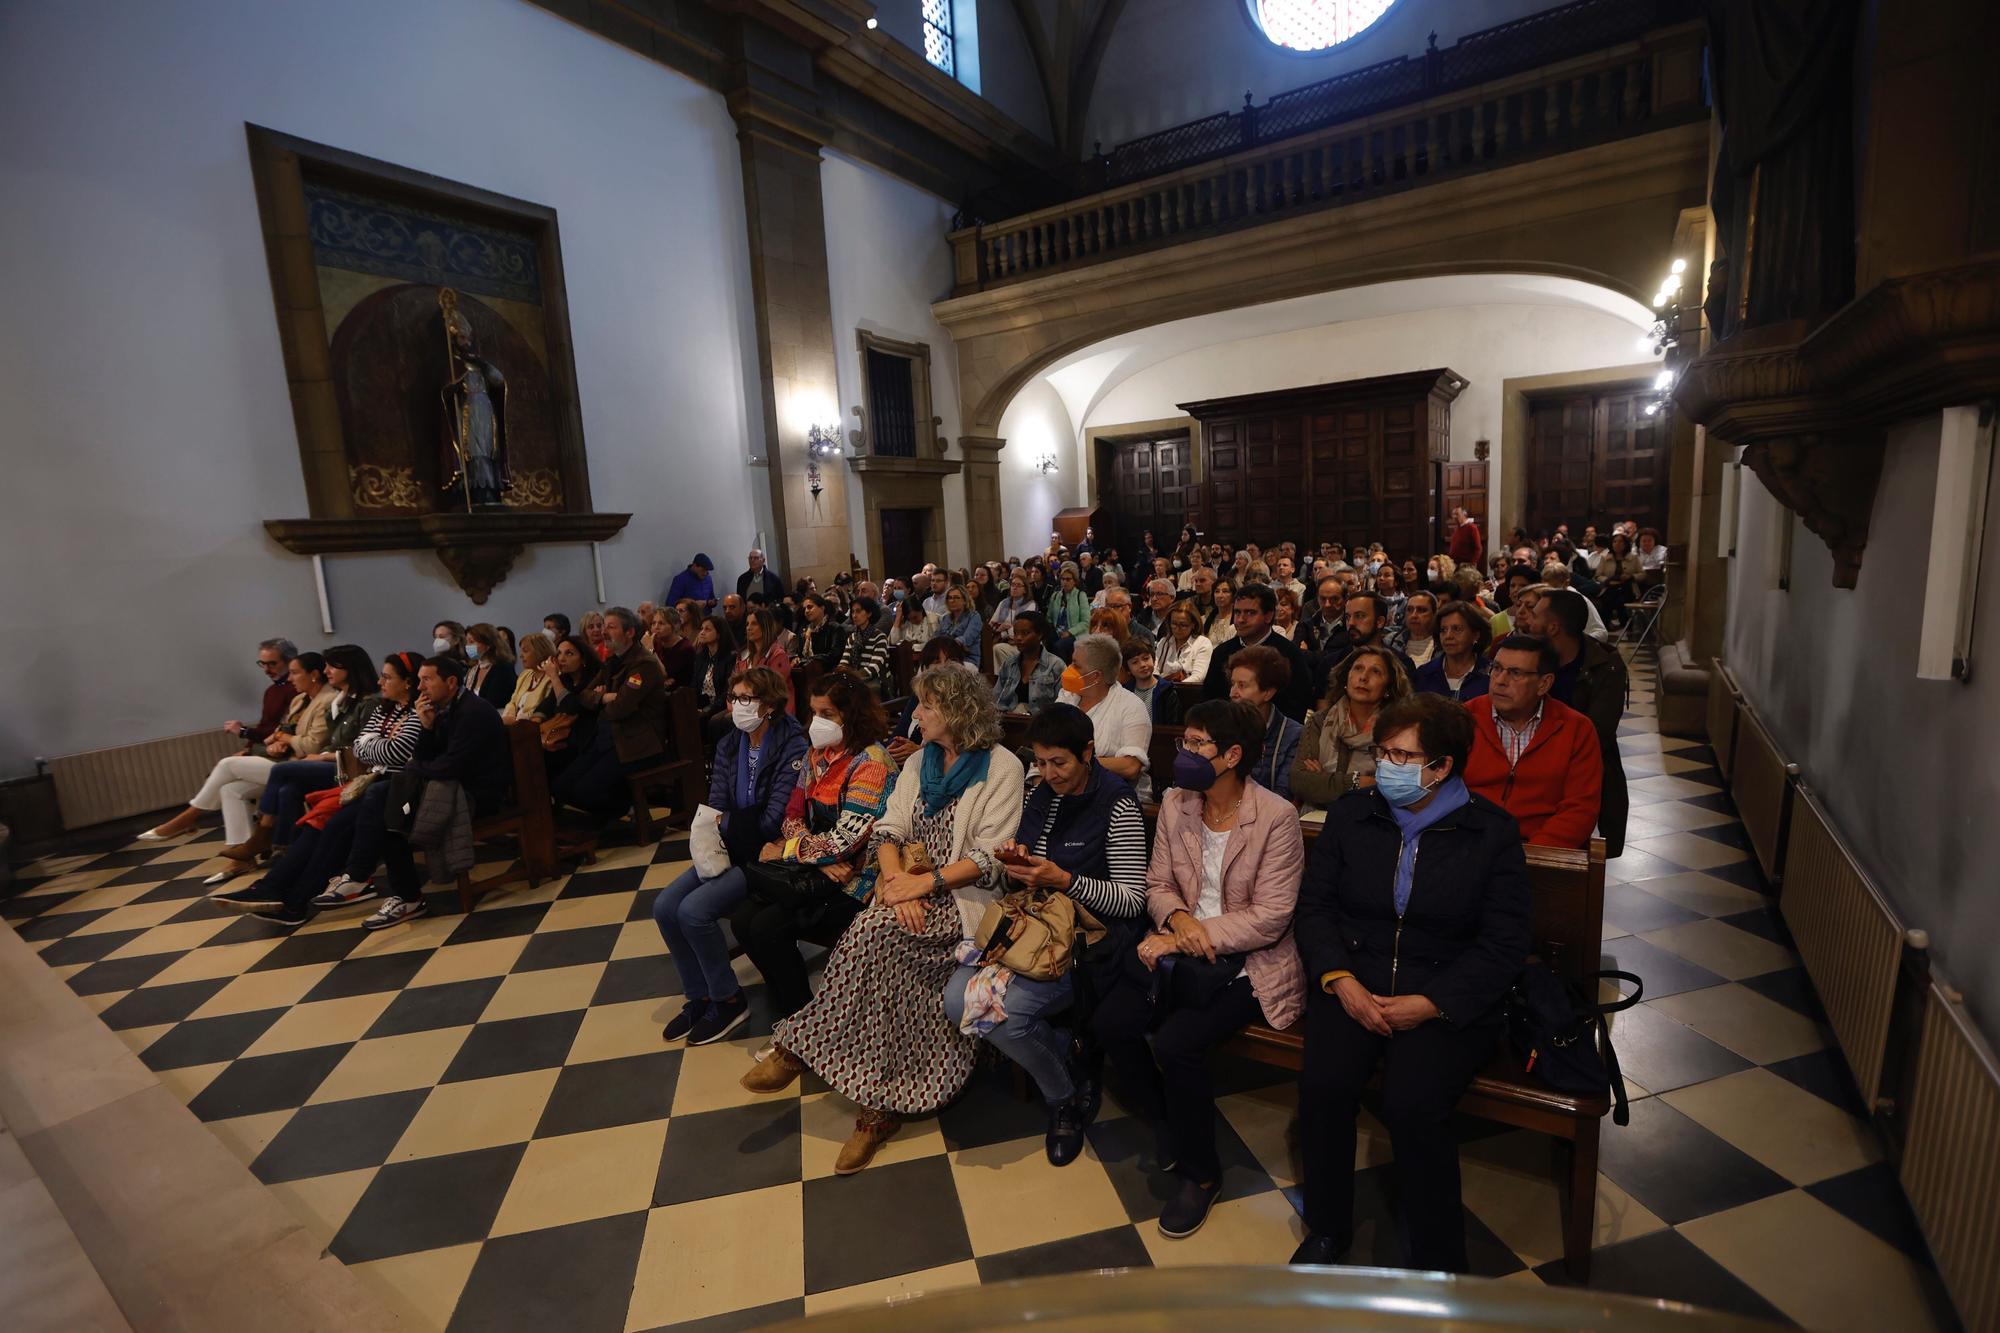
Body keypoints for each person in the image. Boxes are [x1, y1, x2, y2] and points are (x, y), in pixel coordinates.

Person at [740, 666, 1025, 1176]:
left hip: (963, 901)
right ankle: (877, 1110)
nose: (916, 714)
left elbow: (990, 859)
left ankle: (801, 1046)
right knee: (883, 956)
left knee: (868, 935)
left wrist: (923, 886)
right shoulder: (922, 763)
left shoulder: (1002, 767)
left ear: (958, 711)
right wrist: (895, 886)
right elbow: (887, 829)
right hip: (907, 892)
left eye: (927, 706)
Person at [1291, 693, 1531, 1272]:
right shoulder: (1355, 814)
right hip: (1357, 979)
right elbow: (1315, 908)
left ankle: (1436, 1255)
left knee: (1413, 1105)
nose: (1385, 767)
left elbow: (1504, 943)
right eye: (1382, 752)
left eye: (1401, 756)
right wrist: (1339, 978)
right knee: (1324, 1089)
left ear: (1441, 766)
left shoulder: (1489, 832)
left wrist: (1432, 1003)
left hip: (1441, 991)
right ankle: (1328, 1226)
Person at [1092, 699, 1304, 1239]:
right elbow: (1159, 885)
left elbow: (1271, 918)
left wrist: (1194, 934)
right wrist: (1181, 921)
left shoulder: (1276, 817)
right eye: (1183, 742)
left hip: (1247, 962)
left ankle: (1201, 1173)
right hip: (1176, 945)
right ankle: (1166, 1118)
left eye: (1196, 744)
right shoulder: (1177, 803)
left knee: (1177, 1043)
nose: (1183, 753)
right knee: (1112, 1021)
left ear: (1233, 755)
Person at [943, 703, 1149, 1165]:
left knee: (1008, 1016)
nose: (1049, 773)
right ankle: (1072, 1053)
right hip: (1035, 929)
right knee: (956, 1002)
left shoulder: (1117, 803)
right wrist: (1017, 862)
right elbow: (1022, 877)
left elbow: (1133, 901)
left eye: (1060, 762)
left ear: (1088, 752)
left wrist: (1067, 881)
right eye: (1040, 762)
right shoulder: (1042, 796)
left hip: (1090, 943)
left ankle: (1063, 1100)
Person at [653, 666, 810, 1045]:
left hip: (766, 856)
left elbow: (773, 820)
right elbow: (716, 805)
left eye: (746, 699)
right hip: (730, 849)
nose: (736, 706)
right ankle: (700, 996)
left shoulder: (793, 743)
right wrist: (727, 822)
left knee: (693, 911)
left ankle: (728, 999)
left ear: (769, 704)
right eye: (733, 698)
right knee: (664, 906)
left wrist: (727, 821)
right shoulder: (729, 743)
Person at [214, 652, 427, 924]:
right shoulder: (387, 708)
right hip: (371, 782)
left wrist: (374, 748)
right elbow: (360, 747)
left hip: (395, 789)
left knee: (332, 825)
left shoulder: (415, 712)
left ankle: (291, 898)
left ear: (407, 682)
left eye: (387, 677)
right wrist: (376, 748)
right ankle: (274, 890)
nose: (380, 681)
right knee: (316, 823)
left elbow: (395, 752)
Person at [366, 655, 510, 929]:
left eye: (427, 680)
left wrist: (416, 767)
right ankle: (369, 879)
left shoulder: (473, 712)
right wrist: (427, 727)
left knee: (387, 814)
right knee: (378, 801)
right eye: (419, 680)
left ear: (452, 682)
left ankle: (401, 894)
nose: (420, 688)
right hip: (448, 786)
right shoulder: (443, 709)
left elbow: (450, 766)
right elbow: (430, 759)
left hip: (478, 796)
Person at [218, 644, 383, 870]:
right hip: (333, 761)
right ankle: (287, 849)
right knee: (288, 789)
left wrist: (322, 757)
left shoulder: (368, 702)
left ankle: (262, 835)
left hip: (351, 768)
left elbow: (363, 750)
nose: (326, 672)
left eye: (332, 666)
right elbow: (328, 740)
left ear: (350, 669)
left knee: (280, 770)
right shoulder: (343, 701)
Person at [141, 652, 333, 845]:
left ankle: (190, 816)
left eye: (294, 673)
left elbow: (311, 745)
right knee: (230, 790)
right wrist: (277, 740)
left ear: (314, 674)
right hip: (284, 759)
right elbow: (277, 731)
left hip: (304, 766)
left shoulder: (327, 700)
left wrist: (281, 737)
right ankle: (241, 855)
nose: (289, 678)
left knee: (227, 764)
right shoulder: (299, 700)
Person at [1462, 636, 1602, 848]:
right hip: (1470, 846)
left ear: (1544, 684)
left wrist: (1533, 855)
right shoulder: (1463, 718)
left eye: (1515, 673)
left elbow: (1580, 809)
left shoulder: (1577, 729)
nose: (1500, 680)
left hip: (1541, 853)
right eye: (1496, 668)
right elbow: (1441, 790)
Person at [1525, 588, 1629, 856]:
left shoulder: (1605, 665)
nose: (1527, 620)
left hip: (1582, 768)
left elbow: (1598, 732)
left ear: (1553, 627)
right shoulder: (1530, 657)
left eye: (1534, 615)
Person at [552, 606, 669, 819]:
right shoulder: (612, 662)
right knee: (561, 786)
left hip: (635, 743)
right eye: (604, 627)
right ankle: (617, 815)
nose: (604, 632)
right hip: (608, 739)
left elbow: (620, 708)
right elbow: (582, 696)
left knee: (584, 790)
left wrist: (600, 703)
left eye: (611, 627)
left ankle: (627, 813)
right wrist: (604, 698)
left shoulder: (643, 664)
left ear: (629, 632)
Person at [1294, 645, 1413, 810]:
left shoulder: (1399, 729)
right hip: (1315, 821)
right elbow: (1300, 781)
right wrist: (1358, 782)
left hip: (1375, 820)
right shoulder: (1319, 721)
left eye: (1376, 671)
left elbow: (1396, 789)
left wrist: (1325, 781)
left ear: (1388, 687)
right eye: (1358, 669)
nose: (1364, 677)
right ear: (1346, 679)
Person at [1059, 634, 1153, 800]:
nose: (1069, 669)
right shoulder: (1066, 696)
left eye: (1076, 665)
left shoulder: (1131, 706)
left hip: (1113, 796)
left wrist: (1075, 763)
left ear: (1096, 676)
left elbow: (1130, 766)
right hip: (1061, 789)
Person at [1203, 583, 1313, 721]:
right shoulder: (1222, 652)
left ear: (1269, 616)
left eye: (1250, 613)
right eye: (1237, 612)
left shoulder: (1288, 653)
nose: (1241, 619)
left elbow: (1298, 704)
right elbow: (1210, 700)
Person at [1226, 646, 1303, 802]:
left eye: (1242, 685)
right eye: (1232, 684)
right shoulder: (1220, 727)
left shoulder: (1293, 734)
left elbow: (1283, 795)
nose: (1232, 693)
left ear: (1268, 692)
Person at [222, 638, 298, 748]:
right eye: (263, 664)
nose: (266, 670)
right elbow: (265, 726)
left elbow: (286, 729)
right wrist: (248, 749)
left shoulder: (296, 689)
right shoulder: (271, 691)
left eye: (272, 664)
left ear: (290, 661)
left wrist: (244, 731)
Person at [1414, 600, 1492, 701]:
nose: (1448, 636)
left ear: (1475, 635)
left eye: (1457, 629)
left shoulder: (1491, 674)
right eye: (1443, 630)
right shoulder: (1424, 674)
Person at [995, 611, 1064, 714]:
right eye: (1016, 633)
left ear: (1040, 634)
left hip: (1042, 724)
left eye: (1025, 633)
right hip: (1009, 721)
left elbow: (1062, 705)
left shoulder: (1056, 665)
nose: (1018, 638)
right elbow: (996, 698)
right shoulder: (1009, 664)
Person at [734, 606, 795, 713]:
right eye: (747, 624)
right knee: (717, 721)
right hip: (743, 704)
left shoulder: (778, 655)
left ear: (765, 626)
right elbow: (734, 684)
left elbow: (773, 691)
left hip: (770, 708)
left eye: (754, 623)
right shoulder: (743, 654)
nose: (749, 628)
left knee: (720, 722)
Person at [1124, 637, 1183, 725]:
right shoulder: (1125, 692)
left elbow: (1173, 725)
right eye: (1135, 662)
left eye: (1146, 658)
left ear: (1154, 660)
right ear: (1128, 670)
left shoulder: (1167, 691)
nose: (1142, 665)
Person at [838, 596, 890, 692]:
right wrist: (843, 672)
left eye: (858, 611)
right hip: (855, 679)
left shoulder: (879, 636)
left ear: (869, 613)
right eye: (853, 612)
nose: (854, 615)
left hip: (876, 681)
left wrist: (853, 676)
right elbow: (843, 663)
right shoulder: (852, 637)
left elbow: (874, 667)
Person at [1155, 600, 1213, 686]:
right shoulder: (1164, 642)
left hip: (1189, 693)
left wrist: (1171, 688)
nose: (1177, 629)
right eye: (1174, 624)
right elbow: (1155, 669)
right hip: (1163, 691)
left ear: (1193, 624)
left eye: (1183, 625)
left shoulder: (1203, 643)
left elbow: (1198, 677)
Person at [463, 623, 517, 709]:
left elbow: (494, 702)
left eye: (472, 642)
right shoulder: (473, 669)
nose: (467, 646)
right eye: (467, 642)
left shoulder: (503, 669)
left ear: (488, 644)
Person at [795, 592, 849, 669]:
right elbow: (800, 655)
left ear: (822, 608)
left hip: (828, 672)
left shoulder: (834, 628)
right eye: (805, 609)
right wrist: (797, 659)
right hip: (809, 672)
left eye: (810, 607)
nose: (806, 611)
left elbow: (835, 656)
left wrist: (809, 659)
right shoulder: (805, 630)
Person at [1387, 590, 1440, 667]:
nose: (1413, 615)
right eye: (1409, 610)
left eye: (1421, 610)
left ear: (1434, 614)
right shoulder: (1391, 640)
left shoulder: (1442, 643)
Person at [1046, 561, 1091, 643]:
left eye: (1068, 579)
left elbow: (1086, 622)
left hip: (1075, 634)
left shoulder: (1080, 595)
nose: (1065, 582)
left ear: (1074, 581)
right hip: (1057, 632)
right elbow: (1049, 618)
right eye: (1062, 579)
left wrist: (1070, 632)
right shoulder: (1055, 596)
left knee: (1060, 645)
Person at [935, 584, 984, 658]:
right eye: (949, 598)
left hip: (966, 658)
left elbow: (967, 639)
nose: (952, 601)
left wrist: (948, 645)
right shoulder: (945, 618)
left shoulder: (974, 616)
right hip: (944, 657)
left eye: (956, 598)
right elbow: (936, 637)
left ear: (964, 600)